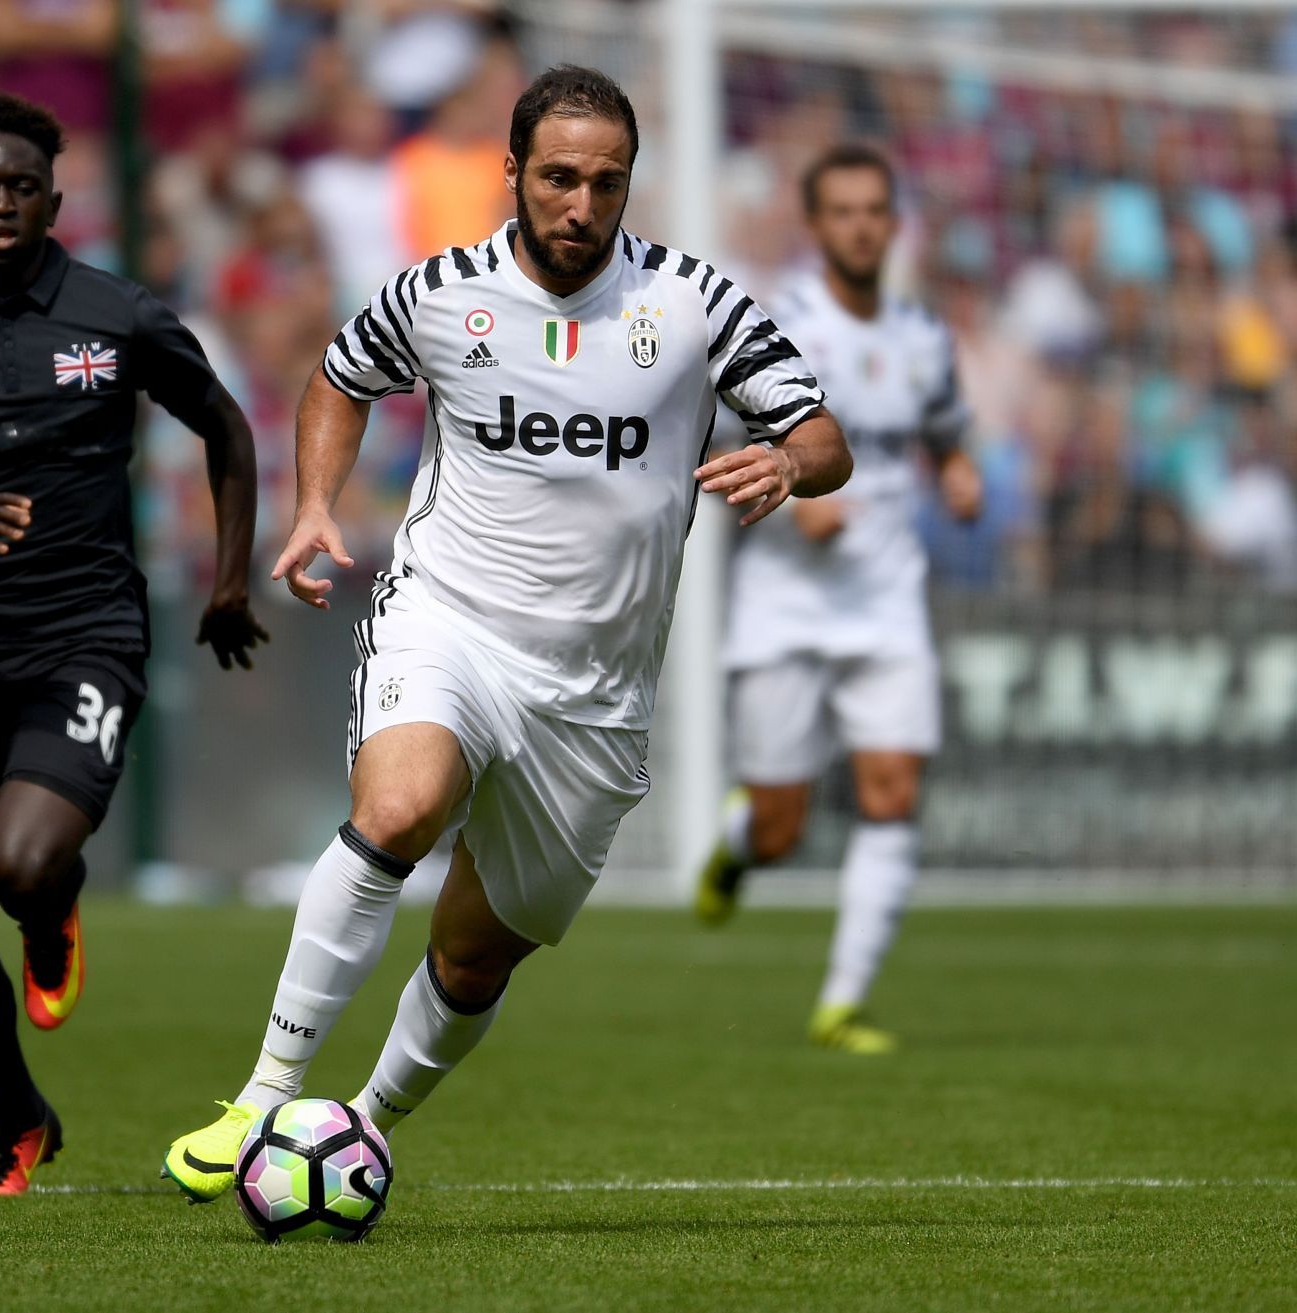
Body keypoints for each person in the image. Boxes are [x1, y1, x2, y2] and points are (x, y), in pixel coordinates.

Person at [162, 64, 850, 1198]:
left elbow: (825, 434)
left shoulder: (692, 302)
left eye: (607, 183)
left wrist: (785, 455)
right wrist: (319, 503)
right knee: (396, 807)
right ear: (515, 174)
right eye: (561, 178)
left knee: (476, 953)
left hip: (595, 693)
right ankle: (262, 1098)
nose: (582, 205)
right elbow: (339, 379)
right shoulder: (443, 292)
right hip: (452, 617)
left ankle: (366, 1122)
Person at [0, 93, 265, 1197]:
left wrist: (227, 580)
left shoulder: (114, 315)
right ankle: (19, 1114)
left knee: (18, 862)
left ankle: (53, 899)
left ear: (52, 201)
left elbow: (225, 424)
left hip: (84, 634)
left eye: (20, 185)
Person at [695, 144, 982, 1055]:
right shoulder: (777, 328)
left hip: (889, 598)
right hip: (785, 600)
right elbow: (722, 439)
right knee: (784, 824)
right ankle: (740, 843)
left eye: (875, 210)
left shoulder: (923, 338)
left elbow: (944, 432)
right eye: (843, 211)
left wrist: (961, 473)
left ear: (893, 225)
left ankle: (842, 1002)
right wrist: (793, 503)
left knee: (892, 790)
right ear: (815, 226)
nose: (862, 225)